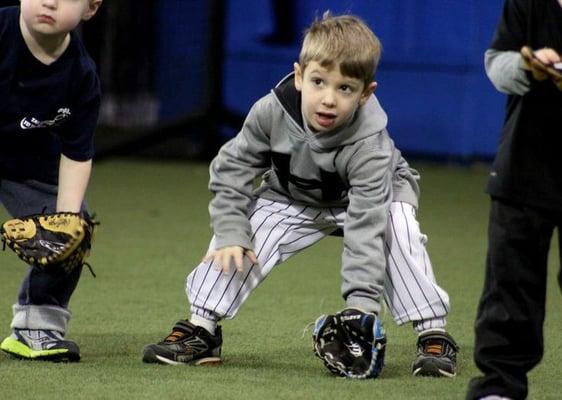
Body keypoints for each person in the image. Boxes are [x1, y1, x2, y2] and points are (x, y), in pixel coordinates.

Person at [143, 12, 458, 376]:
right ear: (298, 76)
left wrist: (361, 309)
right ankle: (202, 328)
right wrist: (231, 230)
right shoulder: (271, 112)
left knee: (398, 231)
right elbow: (232, 170)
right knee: (240, 239)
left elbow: (365, 225)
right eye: (319, 82)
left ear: (365, 94)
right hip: (292, 195)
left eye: (345, 88)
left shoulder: (370, 144)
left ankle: (434, 334)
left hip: (374, 199)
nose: (328, 99)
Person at [466, 0, 562, 399]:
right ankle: (499, 386)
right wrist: (526, 65)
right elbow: (497, 63)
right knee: (510, 284)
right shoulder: (527, 3)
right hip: (523, 165)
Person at [0, 0, 103, 362]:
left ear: (91, 9)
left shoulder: (81, 74)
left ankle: (36, 327)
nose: (50, 2)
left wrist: (67, 222)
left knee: (75, 231)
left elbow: (77, 154)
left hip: (26, 164)